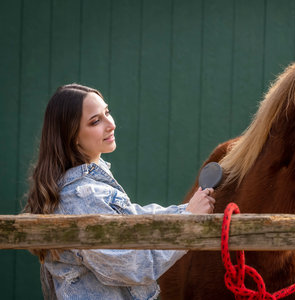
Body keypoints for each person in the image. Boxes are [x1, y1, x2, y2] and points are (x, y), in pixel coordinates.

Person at [24, 83, 216, 300]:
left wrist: (187, 211)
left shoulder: (89, 187)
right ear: (72, 135)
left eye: (107, 113)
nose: (111, 124)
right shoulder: (82, 198)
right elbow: (134, 266)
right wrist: (189, 222)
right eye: (95, 121)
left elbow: (135, 218)